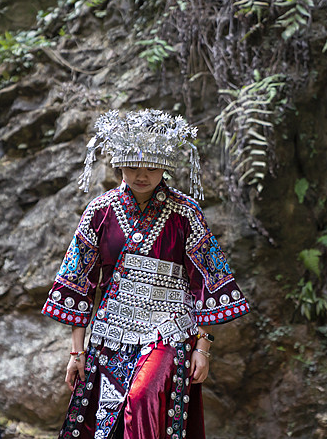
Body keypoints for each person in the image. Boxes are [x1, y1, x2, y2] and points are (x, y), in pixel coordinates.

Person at [42, 109, 250, 439]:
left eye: (152, 167)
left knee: (141, 400)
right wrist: (76, 352)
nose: (142, 175)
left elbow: (209, 278)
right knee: (104, 423)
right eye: (133, 166)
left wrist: (203, 347)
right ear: (118, 164)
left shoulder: (186, 212)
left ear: (165, 167)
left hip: (168, 331)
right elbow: (78, 283)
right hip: (109, 334)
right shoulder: (100, 210)